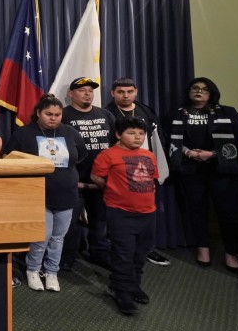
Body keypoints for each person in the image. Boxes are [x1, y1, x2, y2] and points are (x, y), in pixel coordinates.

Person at [4, 94, 87, 292]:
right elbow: (9, 159)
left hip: (67, 195)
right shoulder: (24, 133)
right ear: (38, 113)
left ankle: (51, 272)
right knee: (41, 237)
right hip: (38, 196)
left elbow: (81, 156)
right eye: (49, 114)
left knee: (58, 238)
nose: (53, 118)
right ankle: (33, 269)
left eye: (58, 114)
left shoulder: (70, 132)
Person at [165, 77, 238, 273]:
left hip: (221, 170)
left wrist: (212, 154)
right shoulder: (176, 114)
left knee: (228, 213)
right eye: (195, 88)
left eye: (204, 89)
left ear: (212, 93)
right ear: (189, 91)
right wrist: (189, 153)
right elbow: (168, 139)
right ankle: (203, 248)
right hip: (190, 169)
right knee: (197, 210)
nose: (199, 91)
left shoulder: (228, 112)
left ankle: (231, 253)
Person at [91, 116, 159, 315]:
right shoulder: (108, 155)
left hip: (148, 214)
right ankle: (122, 292)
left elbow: (152, 179)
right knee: (123, 254)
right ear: (119, 134)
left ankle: (133, 285)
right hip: (121, 214)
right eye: (131, 133)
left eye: (141, 134)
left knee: (140, 254)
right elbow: (97, 177)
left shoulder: (148, 155)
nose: (137, 137)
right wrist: (113, 190)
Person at [106, 77, 171, 267]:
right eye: (120, 92)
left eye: (129, 91)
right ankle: (118, 252)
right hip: (119, 174)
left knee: (146, 214)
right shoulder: (107, 113)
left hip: (144, 170)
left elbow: (157, 140)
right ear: (113, 93)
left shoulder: (146, 111)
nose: (125, 96)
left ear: (136, 92)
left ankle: (146, 249)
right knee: (119, 217)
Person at [60, 77, 115, 271]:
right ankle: (68, 256)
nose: (87, 93)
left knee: (100, 221)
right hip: (75, 181)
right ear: (71, 94)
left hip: (101, 180)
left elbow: (116, 143)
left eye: (90, 90)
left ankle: (99, 252)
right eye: (82, 90)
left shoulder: (105, 114)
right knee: (69, 223)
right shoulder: (64, 115)